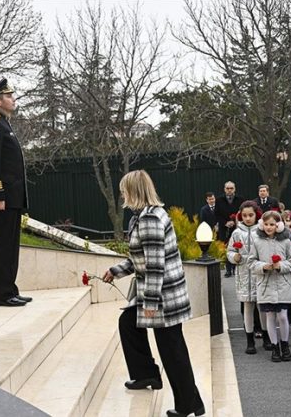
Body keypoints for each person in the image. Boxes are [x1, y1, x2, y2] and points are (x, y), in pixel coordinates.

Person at [103, 170, 205, 417]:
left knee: (172, 350)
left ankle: (189, 404)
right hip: (159, 290)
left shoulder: (149, 219)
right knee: (128, 323)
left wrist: (149, 303)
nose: (122, 194)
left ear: (134, 191)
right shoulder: (142, 216)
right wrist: (115, 271)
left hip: (163, 297)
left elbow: (155, 265)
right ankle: (146, 374)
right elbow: (141, 258)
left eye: (124, 190)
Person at [0, 78, 32, 307]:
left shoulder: (5, 124)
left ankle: (10, 289)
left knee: (11, 246)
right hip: (3, 198)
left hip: (13, 197)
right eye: (9, 96)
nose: (14, 99)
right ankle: (2, 294)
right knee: (3, 246)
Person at [250, 210, 291, 362]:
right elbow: (251, 262)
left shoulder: (286, 241)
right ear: (262, 225)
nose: (269, 227)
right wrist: (264, 266)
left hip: (282, 284)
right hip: (265, 284)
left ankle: (285, 344)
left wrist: (280, 266)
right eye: (266, 224)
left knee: (283, 316)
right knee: (270, 316)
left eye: (272, 224)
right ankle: (274, 346)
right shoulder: (257, 241)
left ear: (279, 225)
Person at [227, 200, 267, 354]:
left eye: (250, 215)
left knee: (262, 306)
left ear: (256, 215)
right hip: (244, 274)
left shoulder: (261, 231)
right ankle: (249, 340)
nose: (248, 218)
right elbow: (229, 251)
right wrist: (234, 257)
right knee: (248, 306)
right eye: (244, 215)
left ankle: (266, 336)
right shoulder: (237, 233)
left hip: (259, 273)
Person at [215, 181, 244, 277]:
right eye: (227, 188)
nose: (229, 190)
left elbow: (242, 213)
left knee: (237, 247)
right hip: (224, 229)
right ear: (224, 189)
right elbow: (217, 214)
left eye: (231, 188)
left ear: (234, 189)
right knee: (227, 248)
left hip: (237, 228)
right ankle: (228, 269)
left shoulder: (240, 199)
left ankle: (236, 268)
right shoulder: (219, 200)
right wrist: (225, 223)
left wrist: (235, 221)